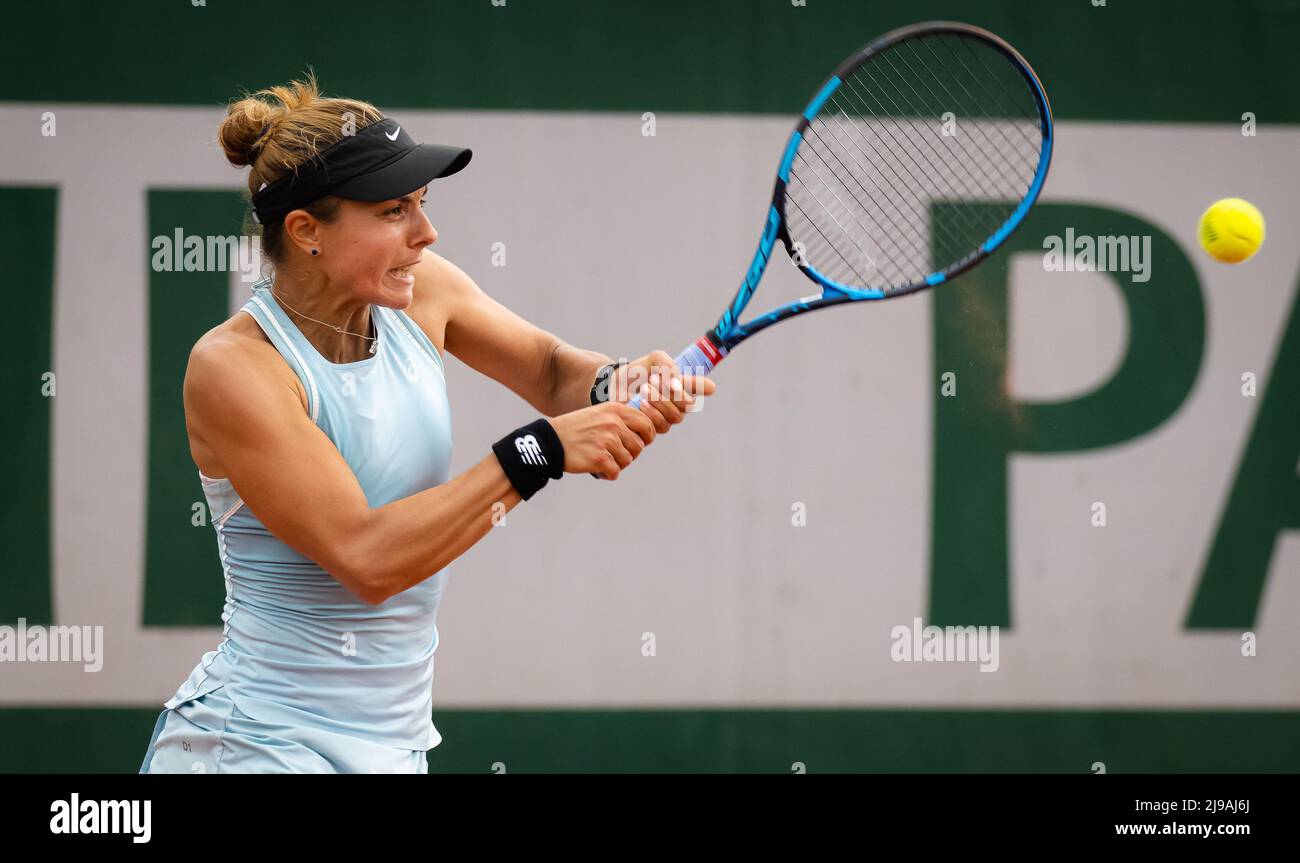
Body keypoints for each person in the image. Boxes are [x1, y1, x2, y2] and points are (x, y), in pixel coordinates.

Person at [138, 73, 715, 774]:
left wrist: (611, 380)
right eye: (392, 211)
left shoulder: (422, 289)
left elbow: (549, 367)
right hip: (260, 744)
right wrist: (540, 451)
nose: (426, 231)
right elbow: (366, 558)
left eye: (421, 203)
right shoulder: (234, 368)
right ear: (305, 231)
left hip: (395, 746)